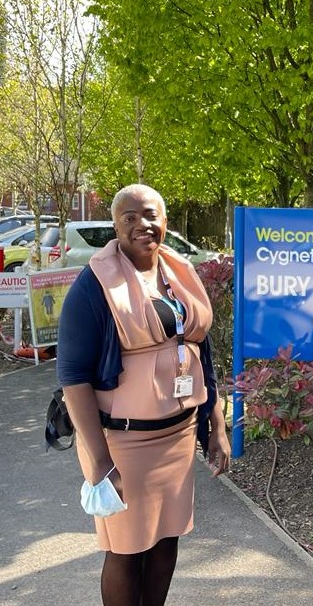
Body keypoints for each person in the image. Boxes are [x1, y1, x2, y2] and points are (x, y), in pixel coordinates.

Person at [57, 183, 230, 606]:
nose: (141, 225)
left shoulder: (177, 273)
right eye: (129, 218)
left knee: (166, 540)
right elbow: (73, 377)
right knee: (124, 549)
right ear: (115, 226)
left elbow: (199, 353)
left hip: (176, 438)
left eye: (150, 215)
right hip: (124, 444)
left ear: (164, 221)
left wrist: (216, 424)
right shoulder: (94, 285)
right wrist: (100, 462)